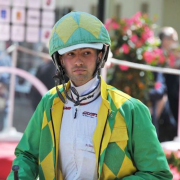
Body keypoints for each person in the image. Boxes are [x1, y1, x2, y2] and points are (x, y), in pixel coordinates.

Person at [7, 11, 172, 180]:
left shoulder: (130, 109)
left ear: (99, 56)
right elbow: (27, 156)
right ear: (61, 60)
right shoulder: (49, 103)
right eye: (71, 54)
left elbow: (157, 174)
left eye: (86, 53)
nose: (78, 61)